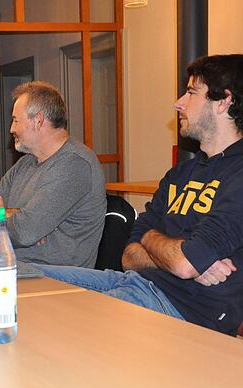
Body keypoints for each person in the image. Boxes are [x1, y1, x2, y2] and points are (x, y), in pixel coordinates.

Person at [36, 54, 243, 336]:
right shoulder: (180, 174)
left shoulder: (238, 176)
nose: (178, 103)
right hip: (130, 282)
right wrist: (168, 248)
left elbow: (184, 264)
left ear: (223, 102)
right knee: (25, 275)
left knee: (59, 322)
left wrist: (156, 241)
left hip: (179, 309)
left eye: (192, 92)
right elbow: (130, 257)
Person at [0, 81, 106, 268]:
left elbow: (25, 232)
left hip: (55, 280)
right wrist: (8, 215)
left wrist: (8, 218)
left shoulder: (75, 164)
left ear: (38, 120)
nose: (11, 129)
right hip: (16, 268)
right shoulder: (25, 163)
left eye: (16, 120)